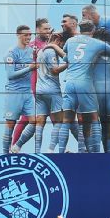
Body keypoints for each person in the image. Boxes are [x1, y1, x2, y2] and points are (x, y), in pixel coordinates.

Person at [62, 20, 110, 153]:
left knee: (84, 120)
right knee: (107, 121)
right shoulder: (101, 47)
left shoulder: (78, 43)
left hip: (86, 86)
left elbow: (66, 59)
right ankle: (107, 153)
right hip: (107, 90)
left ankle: (88, 151)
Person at [33, 24, 68, 154]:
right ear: (58, 40)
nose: (62, 47)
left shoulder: (41, 50)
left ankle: (37, 152)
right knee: (59, 121)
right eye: (62, 43)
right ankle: (50, 150)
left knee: (40, 122)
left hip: (39, 90)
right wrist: (68, 64)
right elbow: (54, 70)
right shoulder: (51, 51)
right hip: (52, 90)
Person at [2, 25, 37, 153]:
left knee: (35, 123)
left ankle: (16, 147)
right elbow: (10, 75)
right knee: (10, 125)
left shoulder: (30, 51)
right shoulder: (11, 53)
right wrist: (29, 68)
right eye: (25, 35)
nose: (28, 37)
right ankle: (5, 155)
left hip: (27, 93)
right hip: (14, 93)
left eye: (30, 35)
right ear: (18, 35)